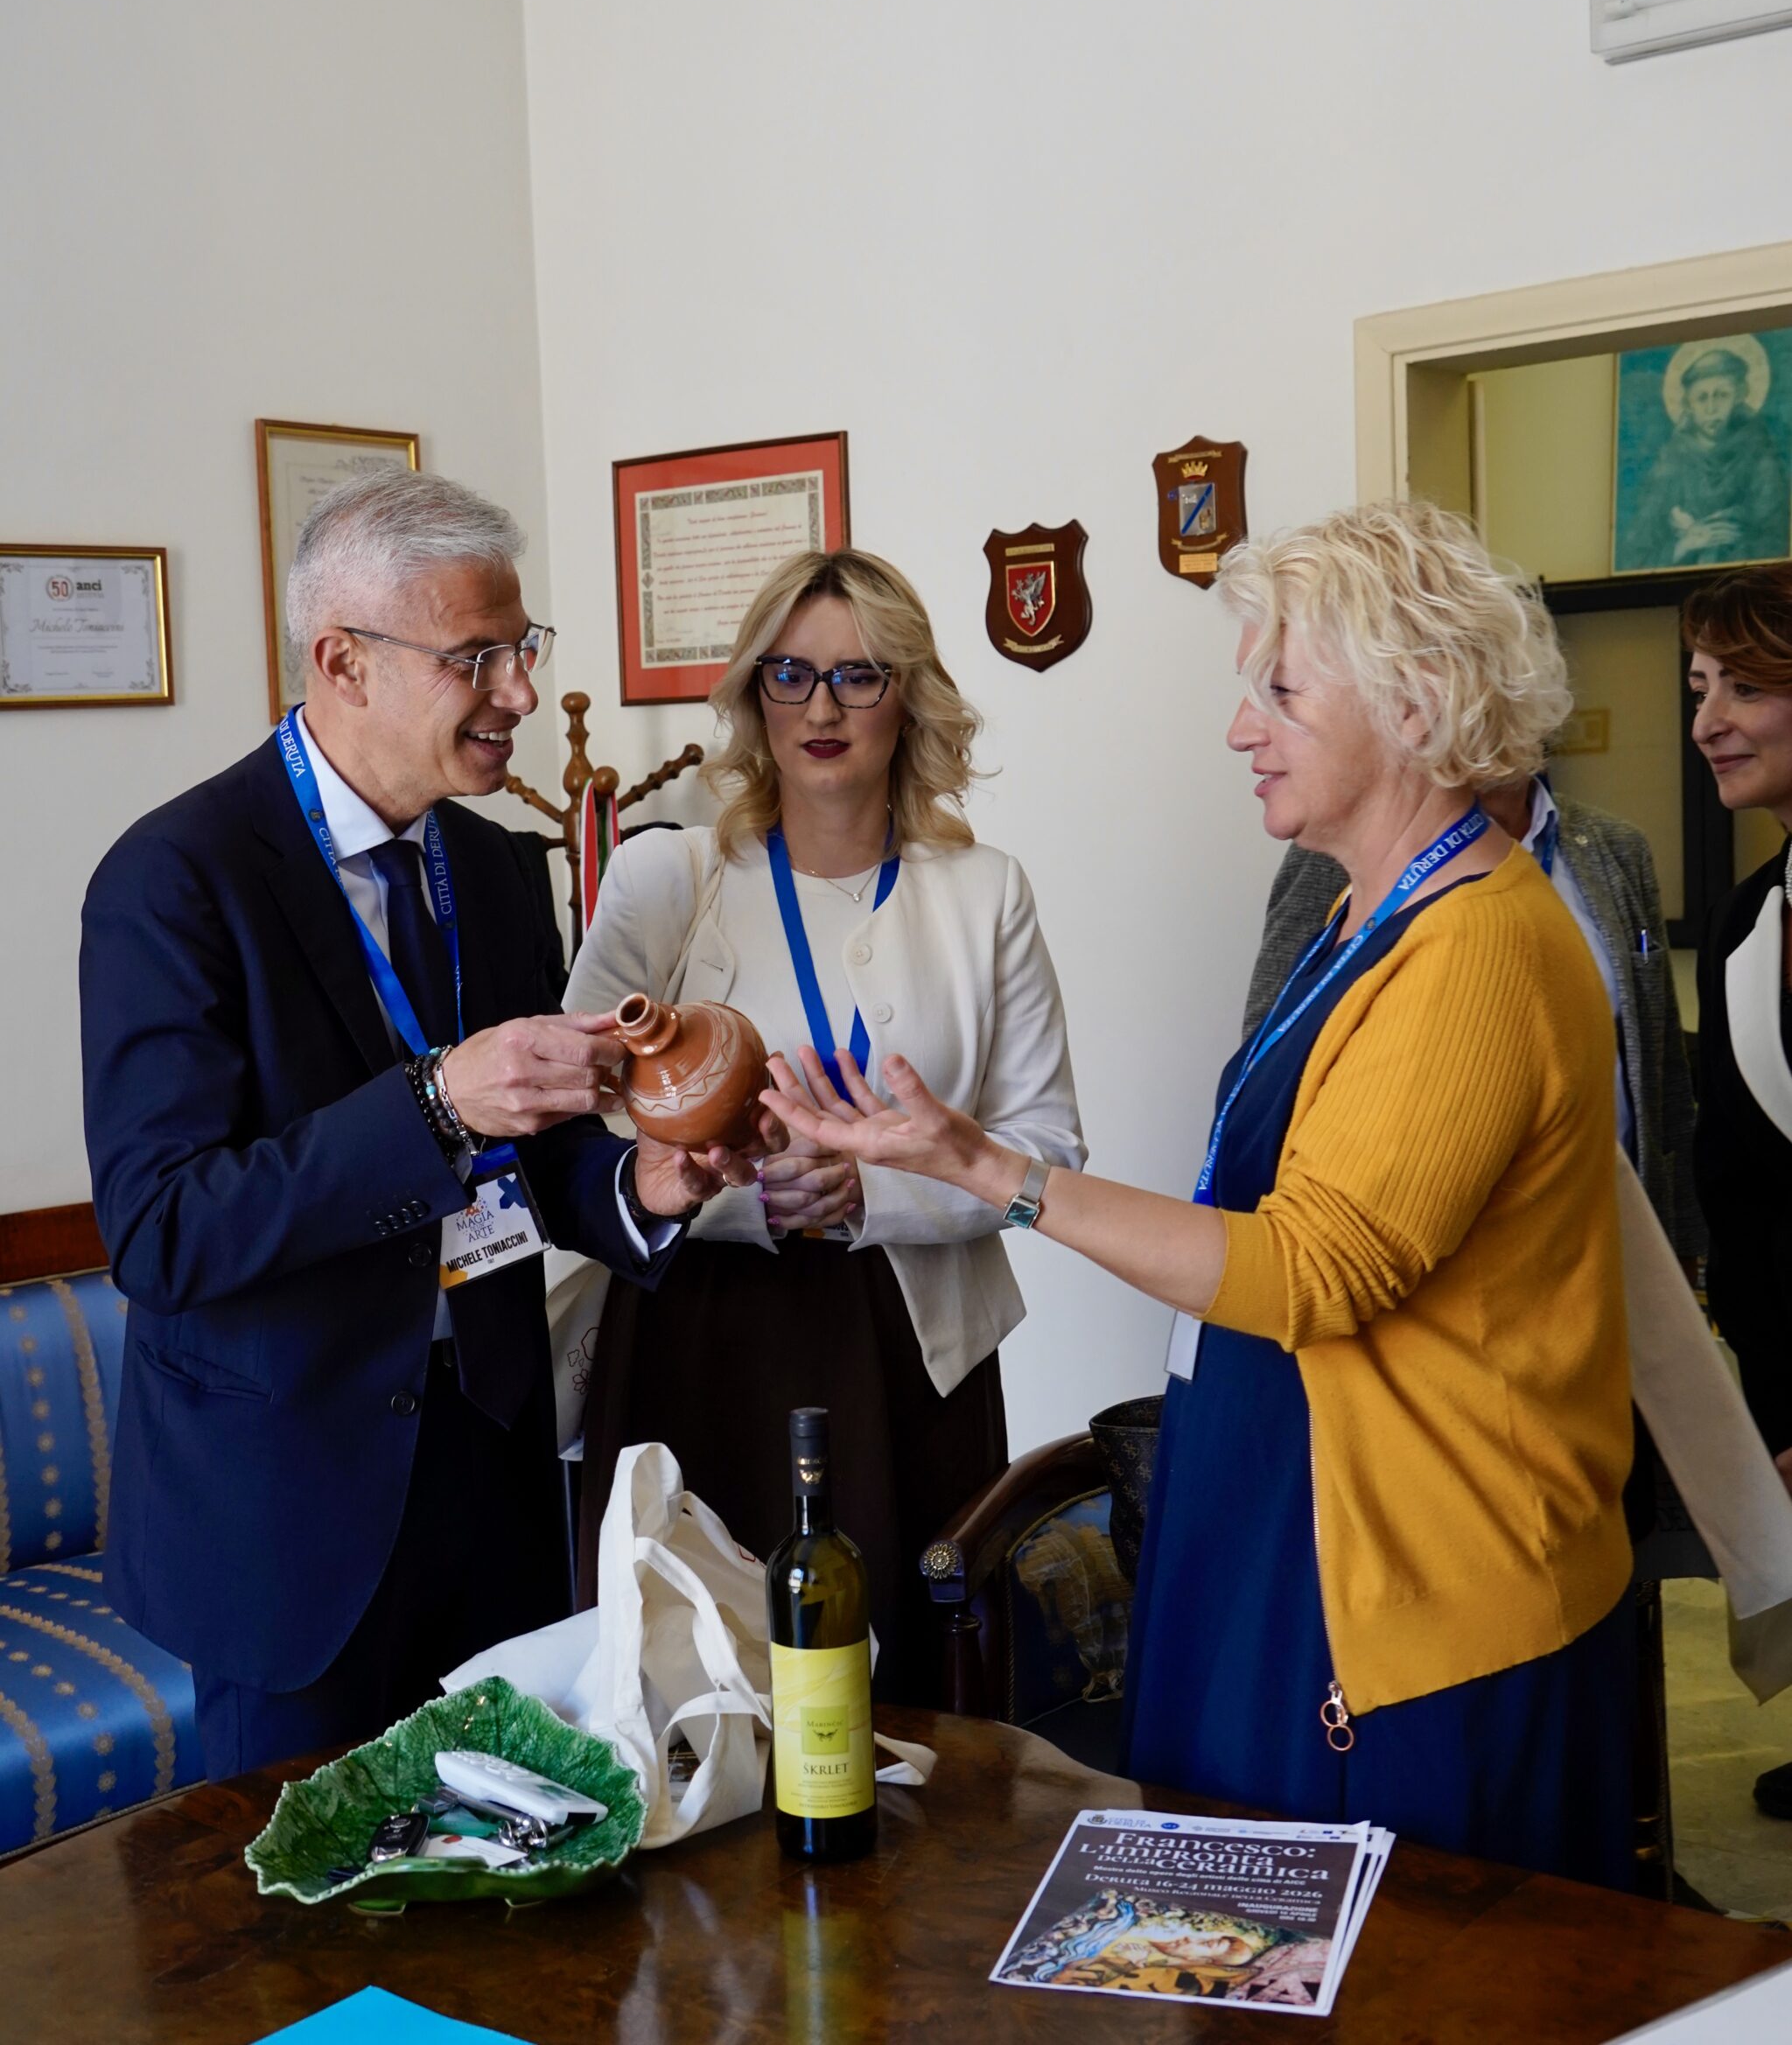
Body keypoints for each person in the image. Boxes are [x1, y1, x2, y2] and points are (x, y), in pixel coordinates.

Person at [766, 501, 1638, 1886]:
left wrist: (994, 1172)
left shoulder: (1477, 951)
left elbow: (1312, 1273)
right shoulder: (1364, 912)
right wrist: (956, 1155)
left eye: (1280, 692)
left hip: (1413, 1591)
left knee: (1399, 1967)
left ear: (1414, 704)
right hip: (1284, 1524)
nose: (1241, 729)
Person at [80, 471, 767, 1781]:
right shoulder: (175, 880)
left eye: (523, 647)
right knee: (315, 1895)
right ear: (343, 661)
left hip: (490, 1486)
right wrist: (437, 1101)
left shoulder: (497, 869)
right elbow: (164, 1232)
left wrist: (648, 1186)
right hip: (289, 1520)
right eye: (477, 658)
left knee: (529, 1873)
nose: (521, 692)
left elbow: (533, 1156)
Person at [564, 546, 1083, 1699]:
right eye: (789, 674)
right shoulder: (666, 880)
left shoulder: (985, 891)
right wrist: (738, 1194)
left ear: (910, 695)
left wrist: (873, 1193)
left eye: (859, 675)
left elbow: (1046, 1149)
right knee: (694, 1678)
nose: (821, 707)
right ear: (755, 695)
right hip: (699, 1331)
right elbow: (576, 1129)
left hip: (907, 1346)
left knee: (903, 1690)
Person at [1242, 776, 1704, 1266]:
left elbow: (1662, 1069)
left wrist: (1682, 1246)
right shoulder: (1339, 854)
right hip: (1437, 1251)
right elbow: (1273, 1052)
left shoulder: (1616, 848)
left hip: (1607, 1239)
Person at [1684, 565, 1792, 1820]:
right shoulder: (1745, 920)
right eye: (1699, 687)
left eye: (1744, 689)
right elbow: (1743, 1185)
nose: (1708, 721)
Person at [1631, 344, 1790, 570]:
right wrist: (1686, 544)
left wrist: (1725, 542)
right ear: (1688, 404)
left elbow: (1777, 542)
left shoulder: (1761, 458)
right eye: (1702, 398)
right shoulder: (1670, 463)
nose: (1711, 408)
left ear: (1739, 396)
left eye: (1722, 395)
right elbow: (1637, 553)